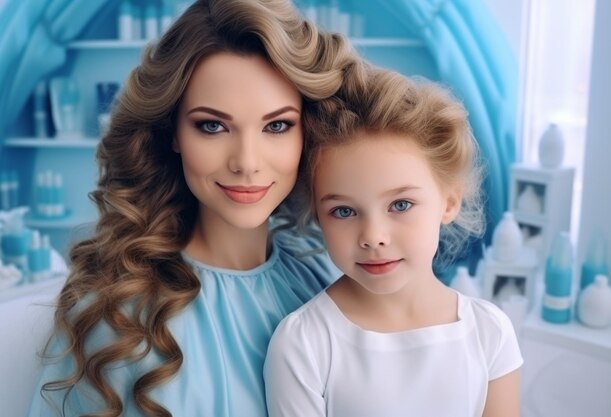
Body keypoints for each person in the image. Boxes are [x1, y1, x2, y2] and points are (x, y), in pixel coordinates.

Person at [27, 1, 364, 416]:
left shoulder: (327, 278)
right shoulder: (118, 312)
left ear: (307, 132)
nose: (247, 161)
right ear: (173, 133)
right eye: (212, 126)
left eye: (277, 125)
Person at [264, 67, 523, 417]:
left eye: (400, 205)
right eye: (343, 211)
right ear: (317, 215)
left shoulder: (490, 333)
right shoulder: (304, 343)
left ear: (448, 201)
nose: (373, 237)